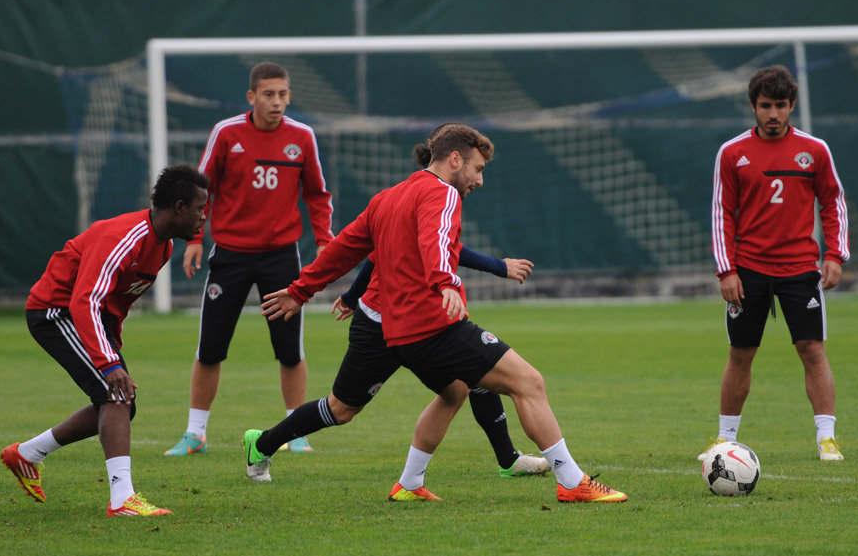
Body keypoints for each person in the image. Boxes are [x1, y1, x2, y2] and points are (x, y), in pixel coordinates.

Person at [255, 123, 626, 503]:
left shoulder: (387, 198)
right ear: (455, 160)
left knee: (446, 392)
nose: (480, 180)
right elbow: (433, 240)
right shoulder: (442, 193)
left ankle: (408, 483)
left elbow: (345, 247)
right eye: (478, 169)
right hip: (431, 326)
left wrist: (301, 291)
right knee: (529, 382)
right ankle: (571, 481)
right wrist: (445, 282)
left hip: (394, 330)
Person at [0, 164, 209, 517]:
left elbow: (116, 302)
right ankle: (122, 499)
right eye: (200, 208)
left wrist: (113, 346)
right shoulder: (123, 237)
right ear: (179, 207)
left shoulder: (162, 248)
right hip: (55, 311)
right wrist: (109, 364)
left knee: (121, 401)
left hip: (83, 314)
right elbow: (85, 300)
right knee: (115, 395)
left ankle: (27, 454)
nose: (204, 216)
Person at [165, 61, 334, 457]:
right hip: (230, 256)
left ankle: (295, 431)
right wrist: (194, 238)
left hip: (281, 258)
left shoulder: (302, 137)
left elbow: (317, 194)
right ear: (251, 96)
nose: (276, 101)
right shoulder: (227, 133)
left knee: (290, 349)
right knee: (210, 347)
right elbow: (200, 189)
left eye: (283, 94)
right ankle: (195, 434)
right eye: (268, 94)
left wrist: (325, 241)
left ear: (289, 96)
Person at [702, 64, 850, 462]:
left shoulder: (815, 150)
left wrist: (835, 255)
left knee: (812, 349)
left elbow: (833, 202)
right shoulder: (732, 152)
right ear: (753, 105)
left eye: (781, 105)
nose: (773, 114)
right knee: (741, 353)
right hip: (748, 269)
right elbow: (721, 213)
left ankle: (827, 439)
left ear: (792, 105)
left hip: (800, 268)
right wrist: (726, 270)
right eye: (766, 105)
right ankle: (724, 440)